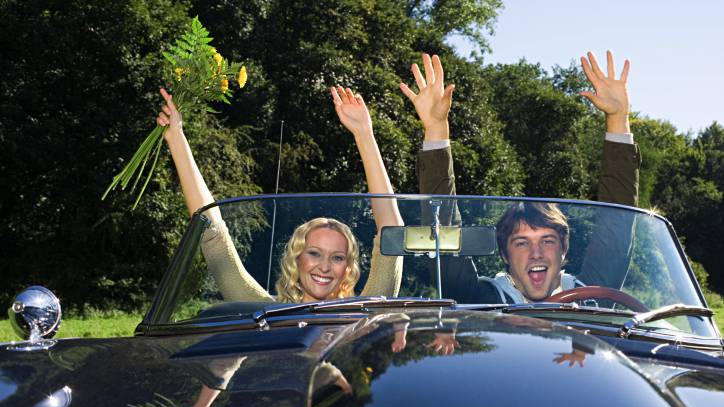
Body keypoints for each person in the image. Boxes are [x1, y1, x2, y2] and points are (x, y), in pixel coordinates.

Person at [401, 51, 640, 303]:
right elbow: (444, 242)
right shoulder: (484, 301)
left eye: (547, 241)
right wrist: (436, 129)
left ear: (564, 250)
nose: (536, 253)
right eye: (521, 243)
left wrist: (618, 119)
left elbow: (617, 228)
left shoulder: (590, 298)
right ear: (504, 254)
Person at [156, 86, 403, 303]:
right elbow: (212, 234)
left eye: (337, 257)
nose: (324, 266)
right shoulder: (267, 314)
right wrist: (176, 138)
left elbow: (393, 235)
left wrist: (364, 135)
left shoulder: (364, 317)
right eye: (314, 253)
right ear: (296, 259)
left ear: (348, 268)